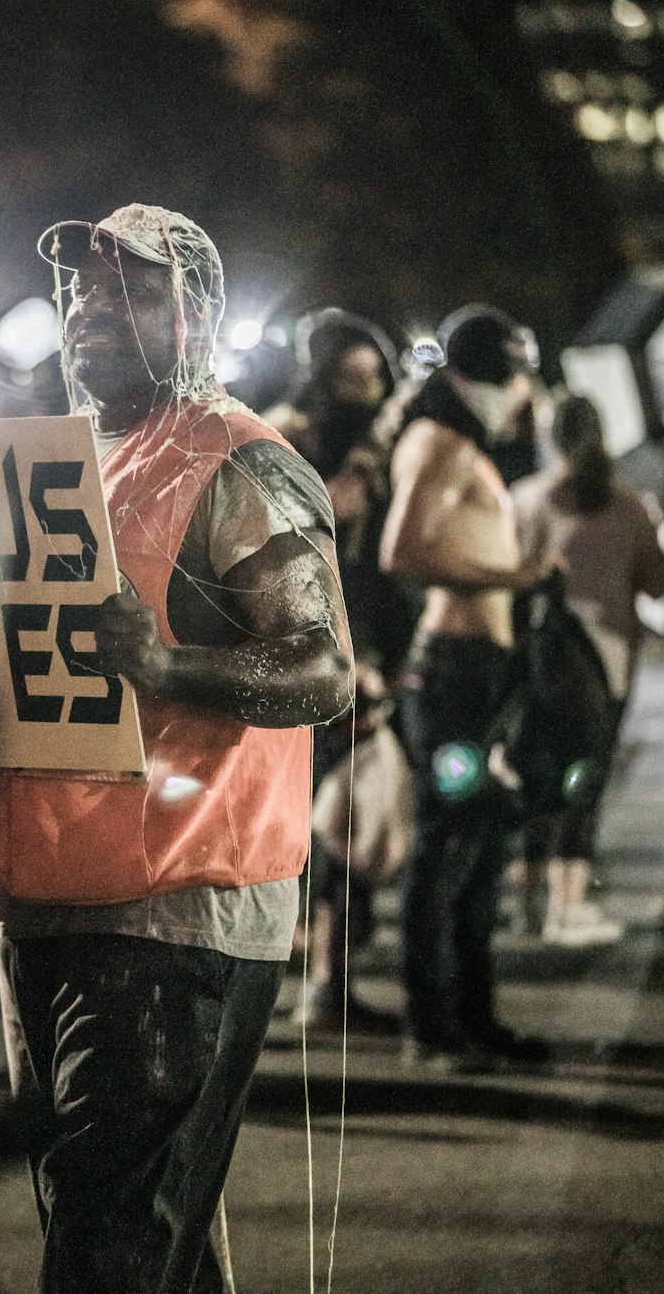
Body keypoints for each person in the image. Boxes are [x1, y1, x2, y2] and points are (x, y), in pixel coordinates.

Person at [0, 205, 354, 1294]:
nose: (90, 310)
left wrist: (166, 667)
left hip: (176, 905)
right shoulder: (66, 465)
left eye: (127, 289)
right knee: (130, 1234)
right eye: (80, 290)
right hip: (45, 899)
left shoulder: (238, 462)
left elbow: (323, 671)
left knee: (113, 1242)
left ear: (201, 315)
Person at [379, 303, 551, 1073]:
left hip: (477, 672)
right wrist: (514, 576)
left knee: (478, 846)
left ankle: (473, 1016)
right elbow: (403, 551)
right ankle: (432, 1021)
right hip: (452, 670)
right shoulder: (441, 442)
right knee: (448, 843)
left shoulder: (460, 441)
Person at [264, 310, 418, 1031]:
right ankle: (321, 982)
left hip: (368, 646)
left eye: (376, 377)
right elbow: (307, 527)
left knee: (349, 816)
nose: (369, 389)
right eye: (352, 378)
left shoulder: (373, 442)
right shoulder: (290, 431)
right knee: (331, 822)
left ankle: (332, 977)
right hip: (316, 648)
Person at [511, 392, 664, 945]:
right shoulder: (630, 506)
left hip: (538, 663)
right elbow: (658, 584)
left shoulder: (525, 501)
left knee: (536, 778)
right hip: (608, 663)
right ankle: (569, 905)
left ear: (550, 437)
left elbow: (508, 579)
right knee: (584, 780)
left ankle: (528, 899)